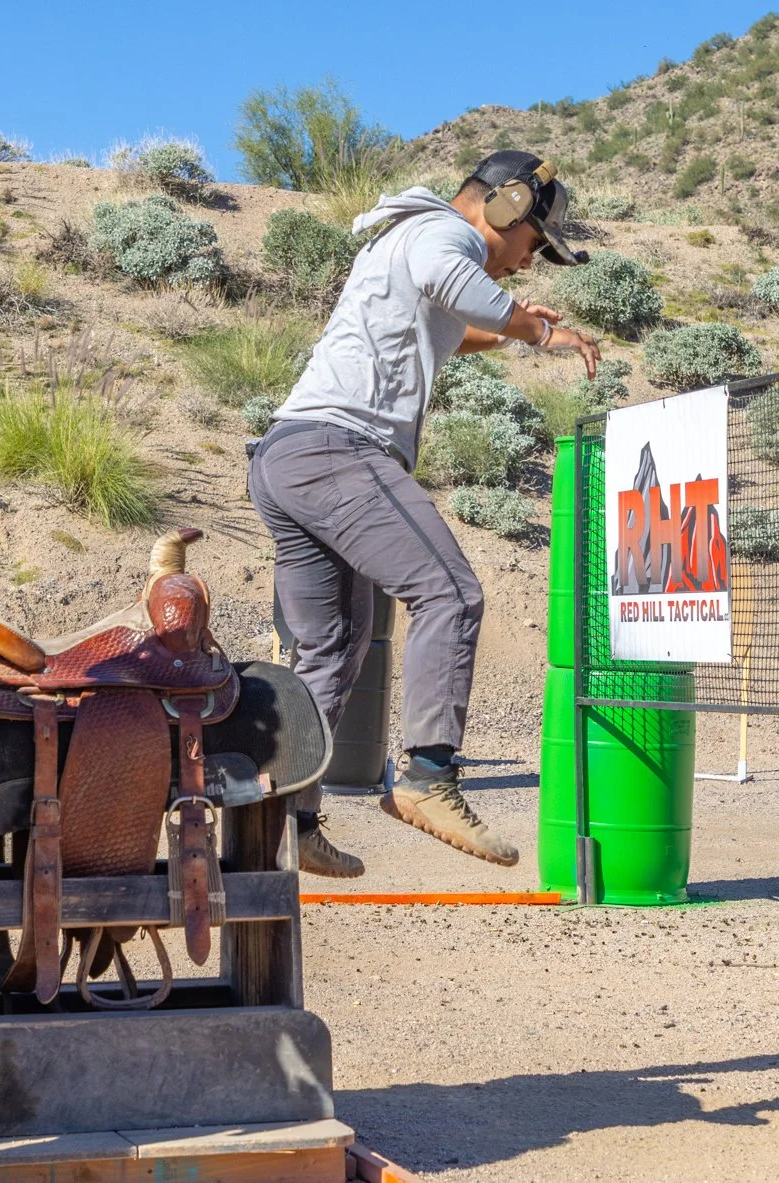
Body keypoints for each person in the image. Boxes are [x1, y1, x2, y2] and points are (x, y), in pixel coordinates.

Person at [249, 150, 600, 878]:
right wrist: (541, 334)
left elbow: (448, 320)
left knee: (332, 649)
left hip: (287, 457)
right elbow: (457, 283)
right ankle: (429, 777)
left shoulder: (411, 237)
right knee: (450, 593)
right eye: (533, 242)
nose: (527, 263)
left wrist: (506, 328)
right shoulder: (446, 232)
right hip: (340, 449)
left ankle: (288, 819)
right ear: (505, 206)